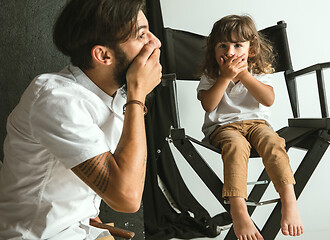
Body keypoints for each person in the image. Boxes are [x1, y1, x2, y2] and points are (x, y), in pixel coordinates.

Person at [0, 0, 162, 239]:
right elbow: (127, 199)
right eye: (141, 35)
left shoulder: (114, 96)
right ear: (103, 55)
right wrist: (137, 95)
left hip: (83, 231)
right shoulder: (56, 98)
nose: (156, 42)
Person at [197, 15, 304, 239]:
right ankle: (239, 212)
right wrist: (225, 78)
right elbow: (208, 105)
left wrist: (244, 75)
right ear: (214, 51)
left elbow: (268, 99)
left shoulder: (259, 71)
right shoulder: (211, 75)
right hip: (224, 127)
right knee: (236, 147)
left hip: (258, 124)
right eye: (223, 45)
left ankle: (289, 200)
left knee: (273, 142)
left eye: (238, 45)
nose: (231, 51)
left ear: (251, 50)